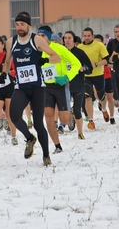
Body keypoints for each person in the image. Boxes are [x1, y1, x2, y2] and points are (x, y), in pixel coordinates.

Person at [0, 11, 60, 166]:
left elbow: (56, 57)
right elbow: (7, 61)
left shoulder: (36, 39)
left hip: (38, 87)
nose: (19, 27)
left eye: (22, 24)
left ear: (29, 25)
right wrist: (4, 74)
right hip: (21, 86)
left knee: (38, 123)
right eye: (17, 24)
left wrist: (44, 59)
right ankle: (29, 138)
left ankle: (46, 155)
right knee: (13, 115)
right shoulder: (11, 42)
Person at [37, 25, 81, 154]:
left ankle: (70, 114)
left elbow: (76, 64)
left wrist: (66, 77)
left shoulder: (59, 49)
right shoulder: (35, 50)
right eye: (38, 36)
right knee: (49, 117)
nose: (40, 38)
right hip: (45, 87)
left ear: (49, 37)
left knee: (64, 120)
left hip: (60, 85)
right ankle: (57, 145)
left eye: (43, 35)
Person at [78, 28, 110, 130]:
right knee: (88, 98)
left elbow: (106, 60)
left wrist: (96, 64)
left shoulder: (99, 45)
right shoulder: (80, 47)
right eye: (85, 36)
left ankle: (104, 109)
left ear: (92, 36)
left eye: (88, 36)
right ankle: (91, 120)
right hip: (86, 76)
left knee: (101, 96)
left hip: (98, 75)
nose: (86, 38)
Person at [0, 35, 18, 145]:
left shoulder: (8, 56)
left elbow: (15, 70)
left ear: (3, 45)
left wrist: (9, 73)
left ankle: (14, 136)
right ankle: (3, 120)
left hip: (9, 87)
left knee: (10, 113)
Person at [64, 30, 93, 139]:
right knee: (64, 109)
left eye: (69, 38)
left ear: (74, 40)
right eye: (65, 38)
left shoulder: (80, 53)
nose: (67, 40)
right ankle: (66, 120)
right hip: (64, 85)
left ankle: (80, 133)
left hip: (78, 85)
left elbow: (89, 68)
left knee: (77, 109)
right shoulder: (61, 52)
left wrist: (82, 69)